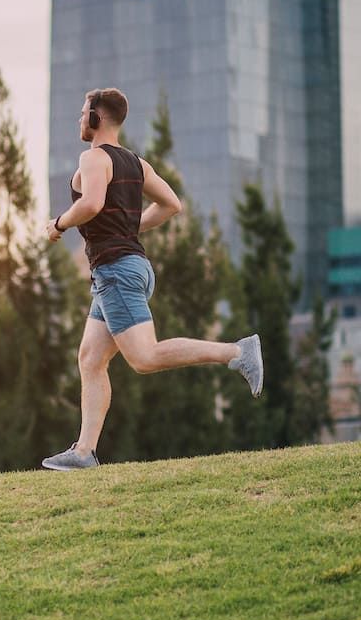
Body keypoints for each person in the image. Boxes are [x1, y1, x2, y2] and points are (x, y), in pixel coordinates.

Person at [41, 87, 262, 471]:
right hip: (124, 269)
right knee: (91, 358)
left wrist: (58, 224)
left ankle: (238, 353)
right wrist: (130, 227)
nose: (79, 119)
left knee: (144, 357)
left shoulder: (93, 158)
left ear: (97, 118)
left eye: (83, 113)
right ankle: (83, 452)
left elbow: (91, 204)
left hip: (116, 271)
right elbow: (172, 204)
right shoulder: (136, 164)